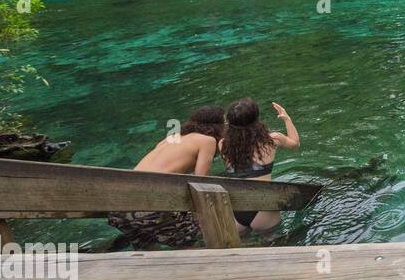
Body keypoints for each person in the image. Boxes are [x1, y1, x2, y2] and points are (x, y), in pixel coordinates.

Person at [109, 106, 226, 249]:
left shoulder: (171, 138)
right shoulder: (207, 141)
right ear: (218, 126)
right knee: (196, 237)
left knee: (147, 253)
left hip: (118, 208)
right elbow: (201, 182)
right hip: (148, 207)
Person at [220, 98, 300, 234]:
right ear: (257, 119)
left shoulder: (223, 144)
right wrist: (287, 119)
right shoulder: (272, 139)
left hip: (237, 209)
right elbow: (295, 143)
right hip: (263, 207)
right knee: (273, 243)